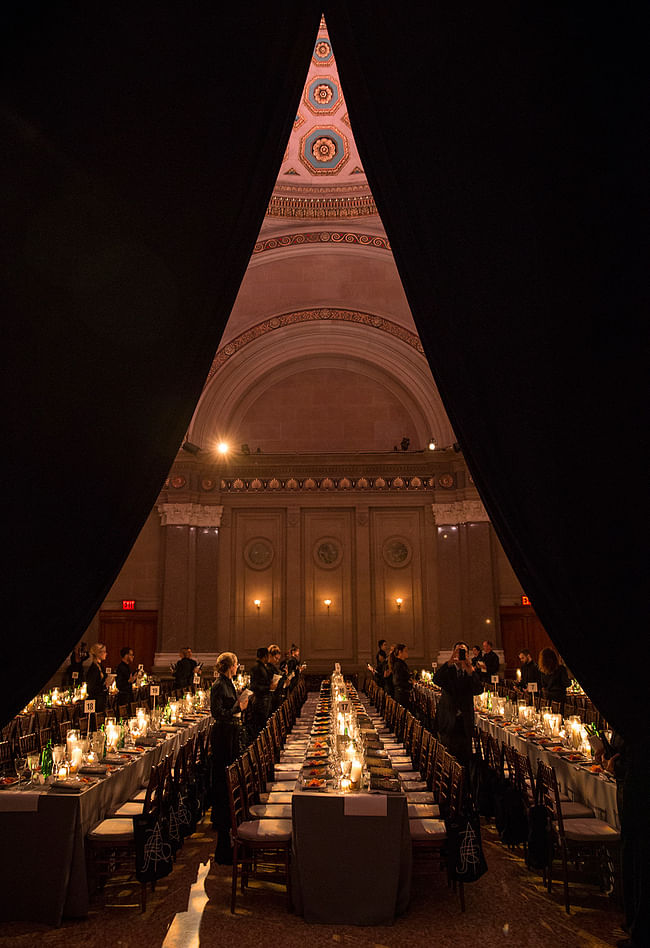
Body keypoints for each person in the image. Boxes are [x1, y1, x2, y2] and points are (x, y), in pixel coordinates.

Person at [210, 651, 249, 864]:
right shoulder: (218, 685)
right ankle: (223, 833)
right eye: (236, 664)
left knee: (229, 780)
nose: (237, 667)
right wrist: (238, 707)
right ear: (229, 666)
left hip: (231, 735)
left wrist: (238, 705)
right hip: (223, 737)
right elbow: (217, 713)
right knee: (224, 780)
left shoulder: (228, 682)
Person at [433, 641, 483, 765]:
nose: (461, 654)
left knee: (465, 758)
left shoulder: (469, 671)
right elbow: (436, 680)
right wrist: (449, 662)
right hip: (448, 719)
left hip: (464, 721)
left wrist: (471, 670)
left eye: (464, 651)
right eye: (458, 651)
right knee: (447, 757)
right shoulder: (448, 670)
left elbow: (478, 690)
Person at [249, 646, 273, 735]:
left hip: (264, 701)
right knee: (260, 728)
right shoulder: (257, 668)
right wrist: (269, 687)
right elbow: (254, 686)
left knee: (263, 726)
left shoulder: (262, 667)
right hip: (260, 702)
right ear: (265, 656)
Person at [538, 647, 570, 713]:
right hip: (560, 699)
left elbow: (543, 684)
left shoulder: (543, 671)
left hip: (548, 699)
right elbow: (567, 683)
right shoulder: (561, 669)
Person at [84, 642, 108, 713]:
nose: (106, 654)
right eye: (104, 652)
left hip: (101, 699)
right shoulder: (94, 668)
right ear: (98, 653)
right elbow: (91, 688)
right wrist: (104, 686)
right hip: (96, 700)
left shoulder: (100, 666)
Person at [389, 643, 412, 709]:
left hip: (402, 693)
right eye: (405, 651)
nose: (407, 653)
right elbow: (397, 681)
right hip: (401, 694)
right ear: (400, 652)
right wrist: (410, 684)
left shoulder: (401, 663)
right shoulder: (398, 664)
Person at [115, 646, 138, 710]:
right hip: (123, 697)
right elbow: (119, 684)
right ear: (126, 655)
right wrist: (129, 681)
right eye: (131, 655)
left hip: (128, 695)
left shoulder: (127, 666)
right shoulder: (121, 667)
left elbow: (129, 679)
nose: (133, 657)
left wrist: (134, 677)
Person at [268, 644, 287, 711]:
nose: (277, 661)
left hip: (276, 696)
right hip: (270, 699)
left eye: (278, 659)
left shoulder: (274, 668)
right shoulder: (267, 668)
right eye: (276, 658)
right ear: (270, 656)